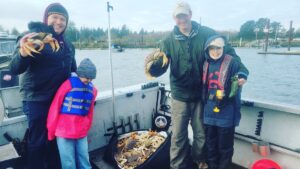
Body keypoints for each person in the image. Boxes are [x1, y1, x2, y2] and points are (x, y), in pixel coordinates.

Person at [144, 2, 248, 169]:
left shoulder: (207, 34)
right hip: (179, 96)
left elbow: (228, 52)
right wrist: (153, 66)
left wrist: (242, 72)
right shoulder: (167, 41)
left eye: (184, 15)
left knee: (201, 134)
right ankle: (177, 165)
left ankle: (200, 161)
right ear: (174, 18)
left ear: (190, 14)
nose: (182, 19)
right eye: (178, 16)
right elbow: (158, 68)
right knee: (178, 135)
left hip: (202, 95)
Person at [9, 3, 76, 169]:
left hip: (59, 100)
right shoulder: (31, 36)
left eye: (63, 19)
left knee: (55, 138)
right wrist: (23, 53)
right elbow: (15, 68)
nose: (59, 22)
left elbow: (72, 69)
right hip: (36, 99)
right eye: (55, 17)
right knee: (37, 140)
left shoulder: (67, 44)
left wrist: (83, 86)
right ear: (46, 18)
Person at [47, 58, 98, 169]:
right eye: (87, 77)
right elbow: (55, 108)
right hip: (64, 132)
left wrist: (86, 128)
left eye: (91, 78)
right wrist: (51, 131)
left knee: (84, 160)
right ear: (80, 74)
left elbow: (90, 113)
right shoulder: (67, 85)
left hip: (81, 132)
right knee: (68, 163)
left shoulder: (93, 90)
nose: (89, 80)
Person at [202, 35, 243, 169]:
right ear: (207, 49)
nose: (215, 51)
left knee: (225, 147)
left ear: (223, 48)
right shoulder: (205, 63)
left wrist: (243, 77)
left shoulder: (232, 62)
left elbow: (243, 71)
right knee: (210, 145)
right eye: (212, 48)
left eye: (218, 48)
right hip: (209, 113)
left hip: (226, 113)